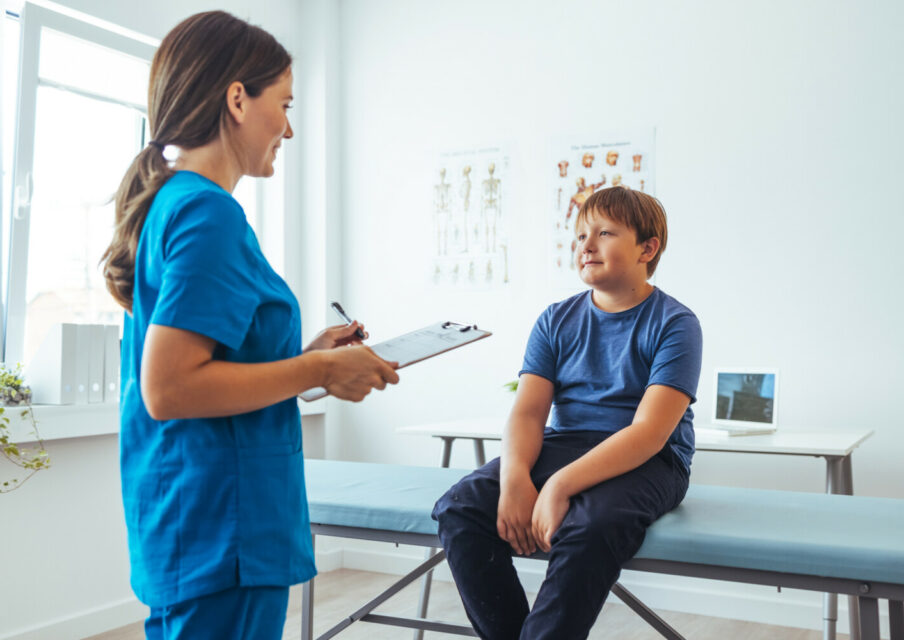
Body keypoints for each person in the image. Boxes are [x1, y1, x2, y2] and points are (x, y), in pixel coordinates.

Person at [100, 11, 399, 639]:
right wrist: (318, 367)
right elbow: (170, 387)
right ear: (237, 98)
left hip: (203, 522)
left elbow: (214, 367)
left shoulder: (177, 206)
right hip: (220, 529)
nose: (288, 128)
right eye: (283, 104)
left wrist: (313, 354)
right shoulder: (208, 215)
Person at [433, 186, 703, 639]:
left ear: (647, 248)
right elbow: (527, 414)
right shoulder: (555, 320)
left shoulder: (676, 324)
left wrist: (558, 484)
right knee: (459, 510)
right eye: (580, 236)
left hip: (652, 460)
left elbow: (650, 433)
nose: (586, 245)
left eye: (604, 233)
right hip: (568, 445)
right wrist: (517, 477)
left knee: (590, 526)